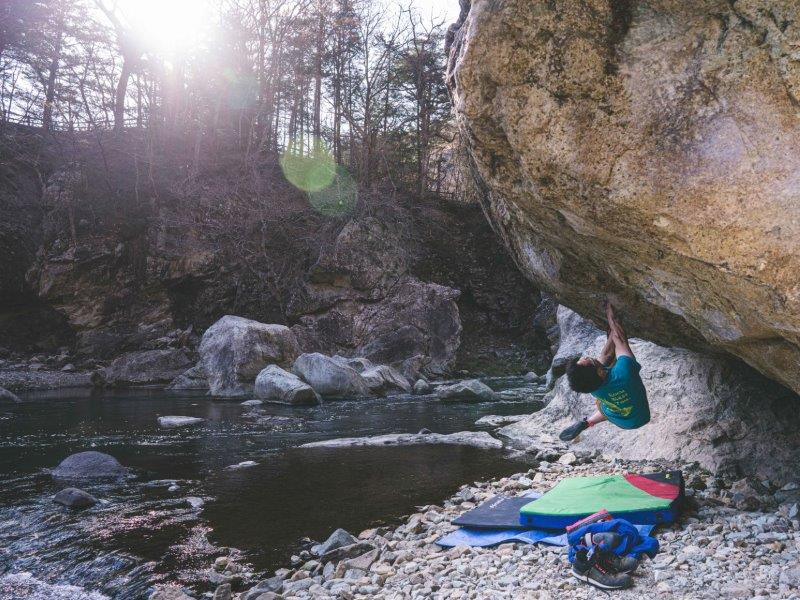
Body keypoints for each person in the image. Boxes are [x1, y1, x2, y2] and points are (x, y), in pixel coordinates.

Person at [558, 302, 650, 442]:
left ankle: (587, 422)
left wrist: (611, 332)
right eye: (588, 360)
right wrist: (611, 316)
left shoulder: (593, 387)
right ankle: (589, 421)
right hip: (642, 416)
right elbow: (620, 339)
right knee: (607, 400)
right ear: (600, 372)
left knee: (608, 405)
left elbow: (606, 356)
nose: (586, 357)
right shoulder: (624, 371)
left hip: (618, 416)